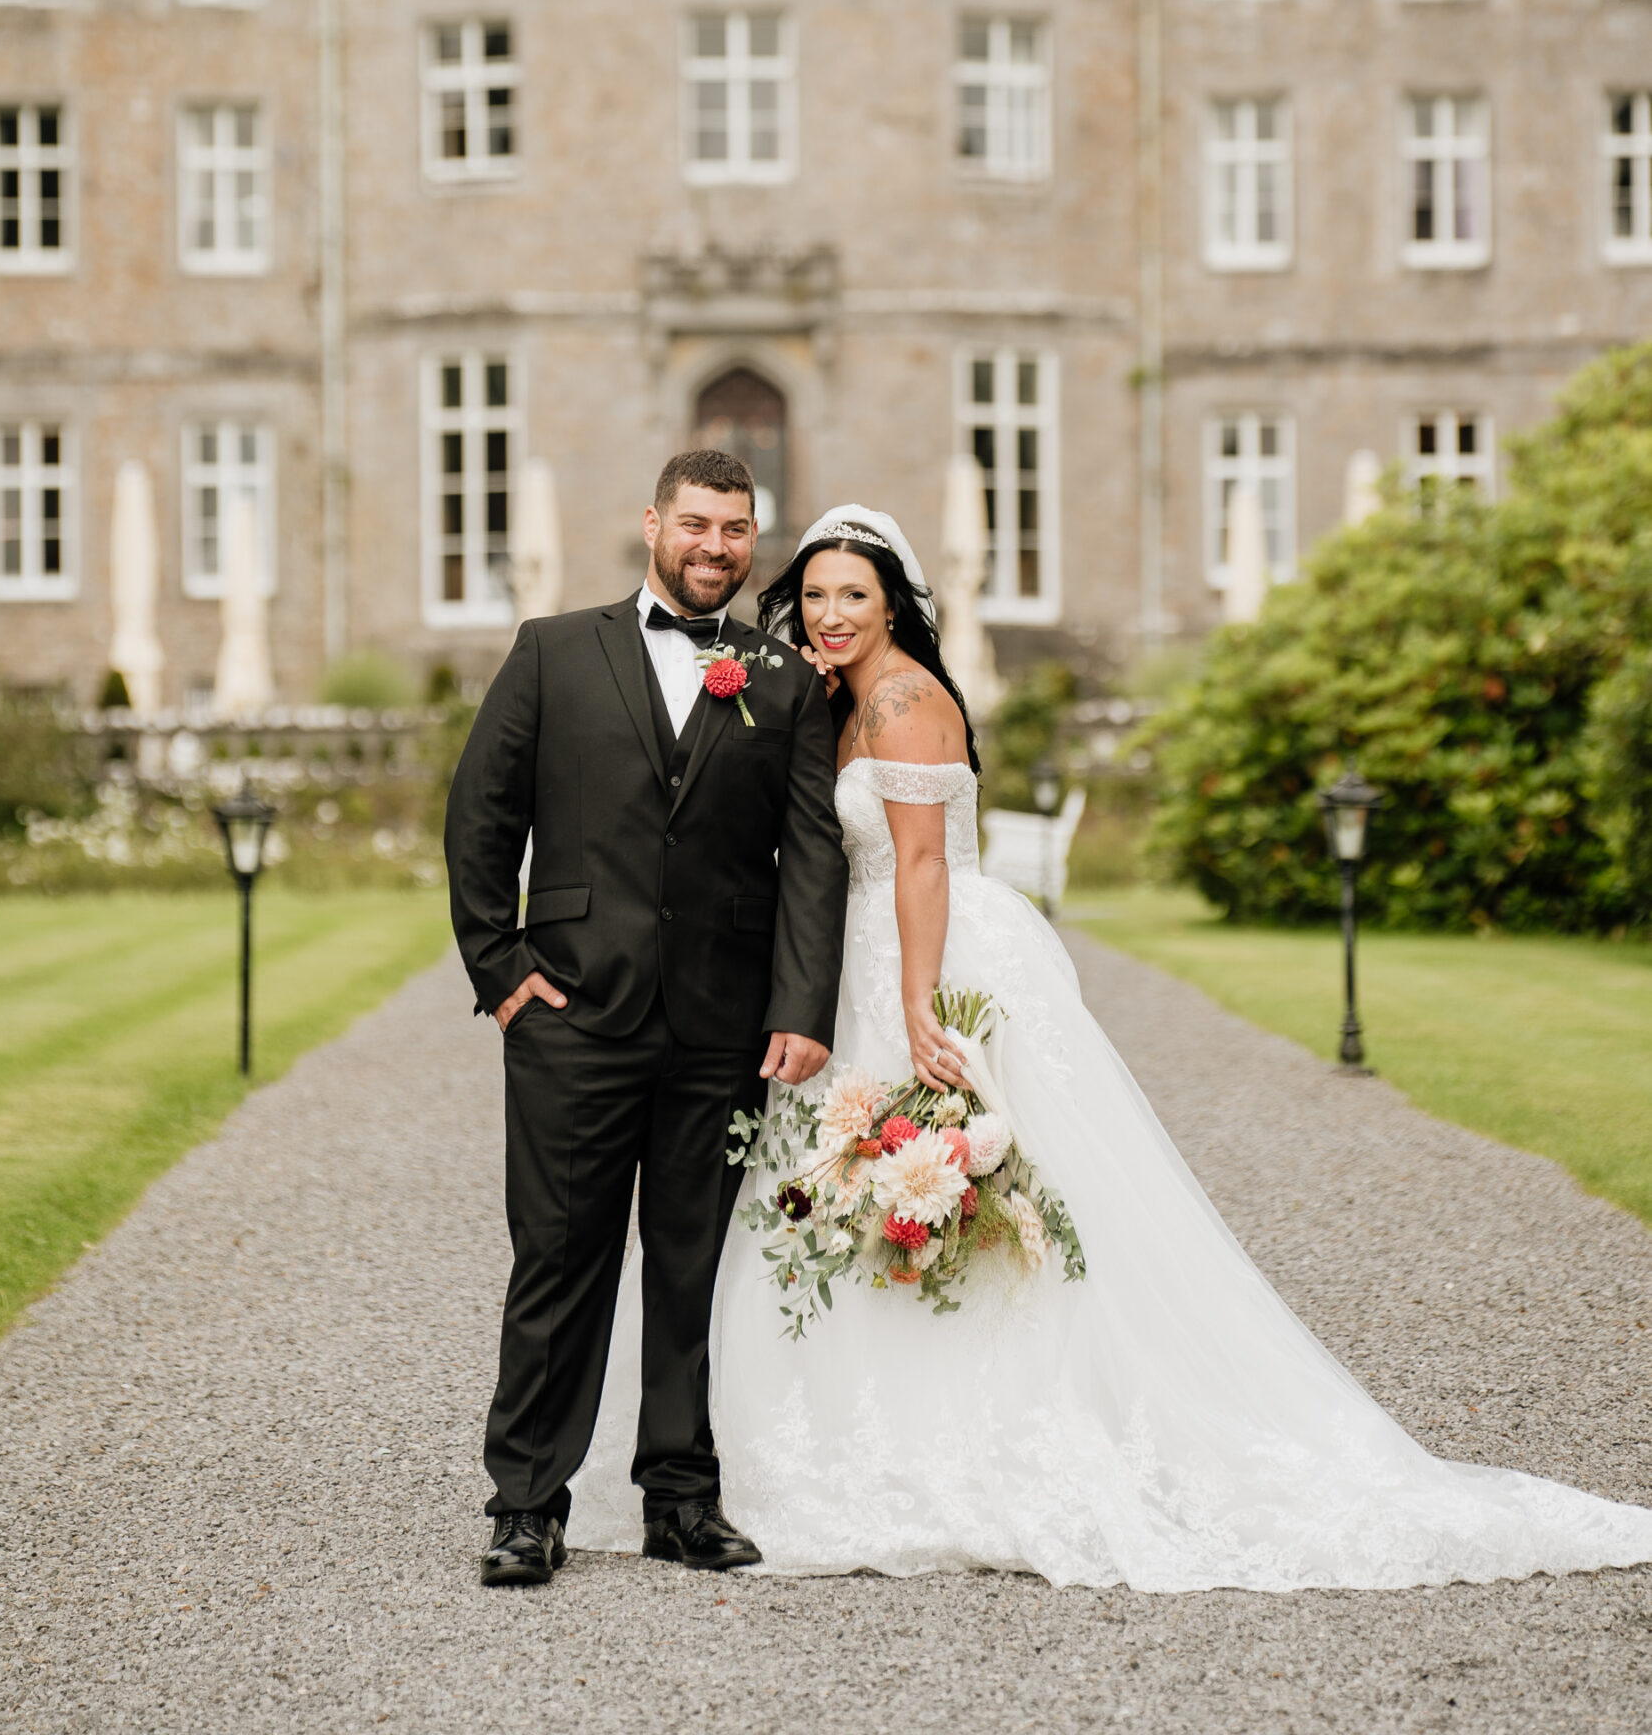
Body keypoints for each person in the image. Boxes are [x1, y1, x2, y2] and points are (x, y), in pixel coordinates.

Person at [565, 503, 1652, 1589]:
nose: (832, 613)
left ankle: (968, 1437)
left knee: (985, 1195)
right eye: (813, 595)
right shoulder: (836, 695)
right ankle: (836, 1441)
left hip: (927, 960)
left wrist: (915, 1005)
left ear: (895, 599)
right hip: (864, 954)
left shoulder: (899, 700)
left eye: (854, 593)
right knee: (845, 1195)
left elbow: (924, 866)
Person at [445, 451, 849, 1587]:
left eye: (737, 530)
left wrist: (801, 1004)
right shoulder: (552, 651)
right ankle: (527, 1503)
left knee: (691, 1264)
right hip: (573, 1014)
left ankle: (680, 1497)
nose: (717, 547)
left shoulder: (784, 677)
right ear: (653, 524)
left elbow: (812, 855)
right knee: (560, 1258)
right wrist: (503, 965)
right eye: (698, 524)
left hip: (722, 1027)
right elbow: (480, 813)